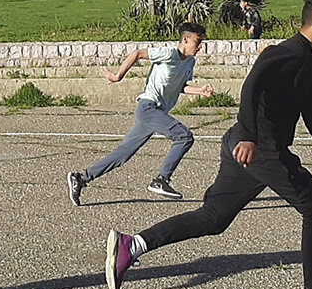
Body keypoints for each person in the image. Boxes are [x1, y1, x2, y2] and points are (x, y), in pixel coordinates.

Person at [104, 0, 312, 289]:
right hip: (258, 148)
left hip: (250, 148)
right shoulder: (283, 54)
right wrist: (249, 135)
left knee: (213, 218)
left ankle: (131, 245)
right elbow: (251, 88)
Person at [68, 22, 214, 205]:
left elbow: (180, 87)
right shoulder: (168, 54)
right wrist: (118, 76)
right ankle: (161, 180)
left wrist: (200, 91)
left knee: (122, 156)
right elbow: (137, 54)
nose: (200, 47)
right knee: (184, 137)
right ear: (185, 39)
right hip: (148, 108)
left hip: (155, 113)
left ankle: (81, 178)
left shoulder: (190, 62)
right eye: (197, 41)